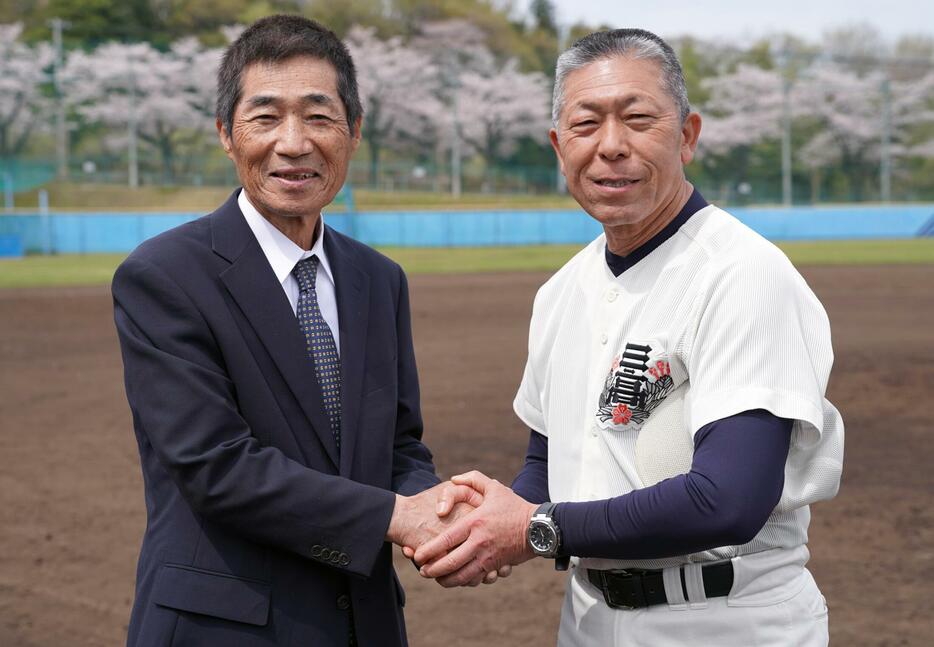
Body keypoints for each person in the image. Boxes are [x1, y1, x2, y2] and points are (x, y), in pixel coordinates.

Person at [413, 28, 844, 646]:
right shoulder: (560, 292)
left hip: (727, 620)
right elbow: (550, 463)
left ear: (688, 135)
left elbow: (731, 498)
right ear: (560, 148)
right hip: (590, 618)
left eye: (638, 119)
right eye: (586, 125)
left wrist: (535, 527)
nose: (611, 146)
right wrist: (486, 522)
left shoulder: (740, 272)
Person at [112, 15, 487, 647]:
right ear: (227, 135)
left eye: (319, 116)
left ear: (354, 132)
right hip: (224, 629)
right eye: (265, 117)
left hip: (363, 624)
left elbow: (396, 445)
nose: (294, 143)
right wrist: (400, 517)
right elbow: (218, 466)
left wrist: (443, 518)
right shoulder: (163, 276)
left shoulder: (378, 279)